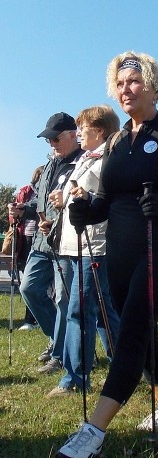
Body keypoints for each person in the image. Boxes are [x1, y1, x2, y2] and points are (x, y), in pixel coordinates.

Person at [56, 51, 158, 458]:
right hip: (122, 249)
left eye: (134, 82)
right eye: (120, 83)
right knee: (140, 328)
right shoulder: (115, 141)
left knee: (129, 332)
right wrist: (87, 210)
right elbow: (108, 197)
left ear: (153, 87)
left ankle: (93, 431)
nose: (125, 90)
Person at [46, 105, 122, 398]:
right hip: (76, 243)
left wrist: (87, 197)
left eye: (83, 128)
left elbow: (111, 200)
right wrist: (61, 198)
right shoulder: (85, 158)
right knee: (104, 313)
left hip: (95, 244)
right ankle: (126, 365)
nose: (78, 133)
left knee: (79, 309)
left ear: (99, 131)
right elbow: (76, 193)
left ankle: (75, 379)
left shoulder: (109, 160)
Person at [19, 113, 83, 373]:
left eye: (56, 139)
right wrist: (24, 207)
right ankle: (58, 340)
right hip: (41, 242)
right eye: (48, 140)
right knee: (29, 289)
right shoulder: (50, 163)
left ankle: (61, 354)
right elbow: (41, 200)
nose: (52, 144)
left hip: (65, 241)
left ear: (72, 135)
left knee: (64, 301)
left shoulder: (83, 162)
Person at [6, 165, 44, 330]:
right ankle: (30, 319)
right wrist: (16, 213)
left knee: (35, 283)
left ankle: (35, 319)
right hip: (24, 239)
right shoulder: (25, 192)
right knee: (26, 281)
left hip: (41, 237)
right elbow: (13, 217)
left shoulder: (45, 192)